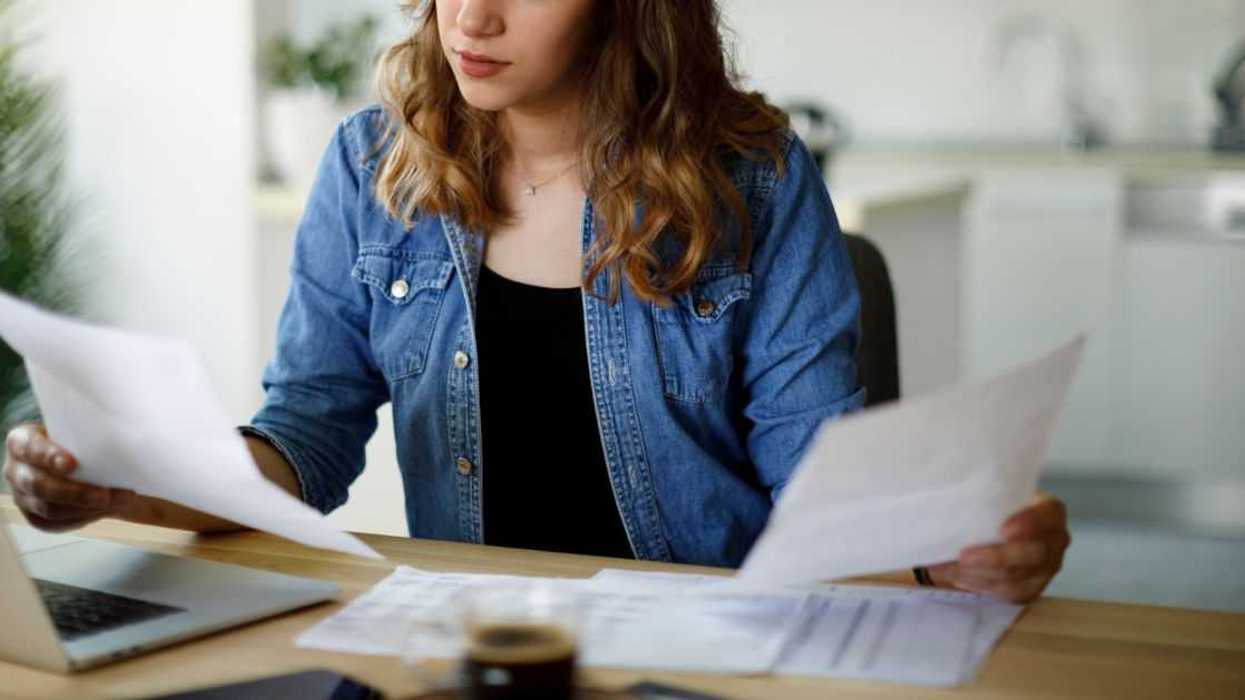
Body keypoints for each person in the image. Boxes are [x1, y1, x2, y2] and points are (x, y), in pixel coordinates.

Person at [3, 0, 1069, 603]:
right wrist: (135, 485)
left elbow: (820, 491)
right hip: (475, 648)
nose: (471, 16)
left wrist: (956, 550)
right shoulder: (371, 170)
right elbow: (305, 436)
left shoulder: (755, 181)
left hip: (708, 655)